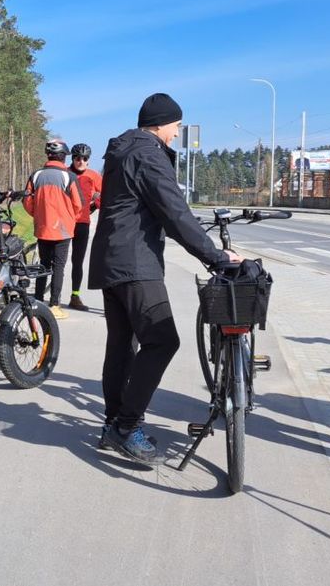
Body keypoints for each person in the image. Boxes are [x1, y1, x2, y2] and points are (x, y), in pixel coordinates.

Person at [88, 93, 242, 464]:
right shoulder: (148, 153)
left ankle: (112, 425)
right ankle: (127, 426)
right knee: (162, 341)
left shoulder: (123, 150)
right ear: (162, 123)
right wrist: (216, 257)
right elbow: (175, 213)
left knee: (123, 346)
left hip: (113, 260)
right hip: (135, 264)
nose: (176, 134)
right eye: (176, 126)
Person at [24, 139, 84, 320]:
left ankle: (38, 301)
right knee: (59, 267)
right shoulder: (69, 177)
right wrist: (68, 216)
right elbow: (78, 204)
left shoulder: (36, 175)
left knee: (43, 264)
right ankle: (55, 304)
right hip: (63, 230)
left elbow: (27, 201)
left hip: (43, 228)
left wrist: (39, 215)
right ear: (63, 157)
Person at [67, 143, 102, 311]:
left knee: (77, 261)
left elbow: (105, 196)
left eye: (84, 158)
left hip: (82, 223)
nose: (81, 161)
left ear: (89, 160)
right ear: (72, 158)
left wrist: (93, 206)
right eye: (77, 158)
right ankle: (52, 297)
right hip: (64, 223)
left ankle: (75, 296)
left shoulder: (94, 176)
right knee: (57, 262)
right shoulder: (64, 174)